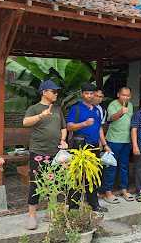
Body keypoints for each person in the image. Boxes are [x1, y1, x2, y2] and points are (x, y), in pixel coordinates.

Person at [22, 80, 68, 230]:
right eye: (53, 91)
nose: (56, 93)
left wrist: (63, 140)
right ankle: (31, 216)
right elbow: (25, 122)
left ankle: (51, 212)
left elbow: (63, 127)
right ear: (44, 92)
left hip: (55, 152)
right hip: (38, 152)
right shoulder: (34, 108)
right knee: (36, 183)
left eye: (57, 91)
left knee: (54, 182)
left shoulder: (57, 109)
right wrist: (41, 115)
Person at [66, 83, 111, 212]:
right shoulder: (76, 109)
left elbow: (99, 129)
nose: (89, 96)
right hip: (80, 145)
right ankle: (73, 206)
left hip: (94, 146)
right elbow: (69, 126)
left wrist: (105, 144)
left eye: (92, 93)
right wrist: (84, 124)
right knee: (77, 176)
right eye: (87, 93)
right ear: (82, 94)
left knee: (93, 176)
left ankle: (94, 205)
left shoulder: (97, 110)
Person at [98, 87, 134, 205]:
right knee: (111, 166)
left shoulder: (131, 105)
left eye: (128, 95)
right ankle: (108, 192)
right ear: (118, 94)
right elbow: (111, 119)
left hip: (126, 140)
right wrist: (121, 112)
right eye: (123, 95)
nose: (126, 97)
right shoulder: (112, 104)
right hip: (113, 140)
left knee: (124, 166)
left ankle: (124, 189)